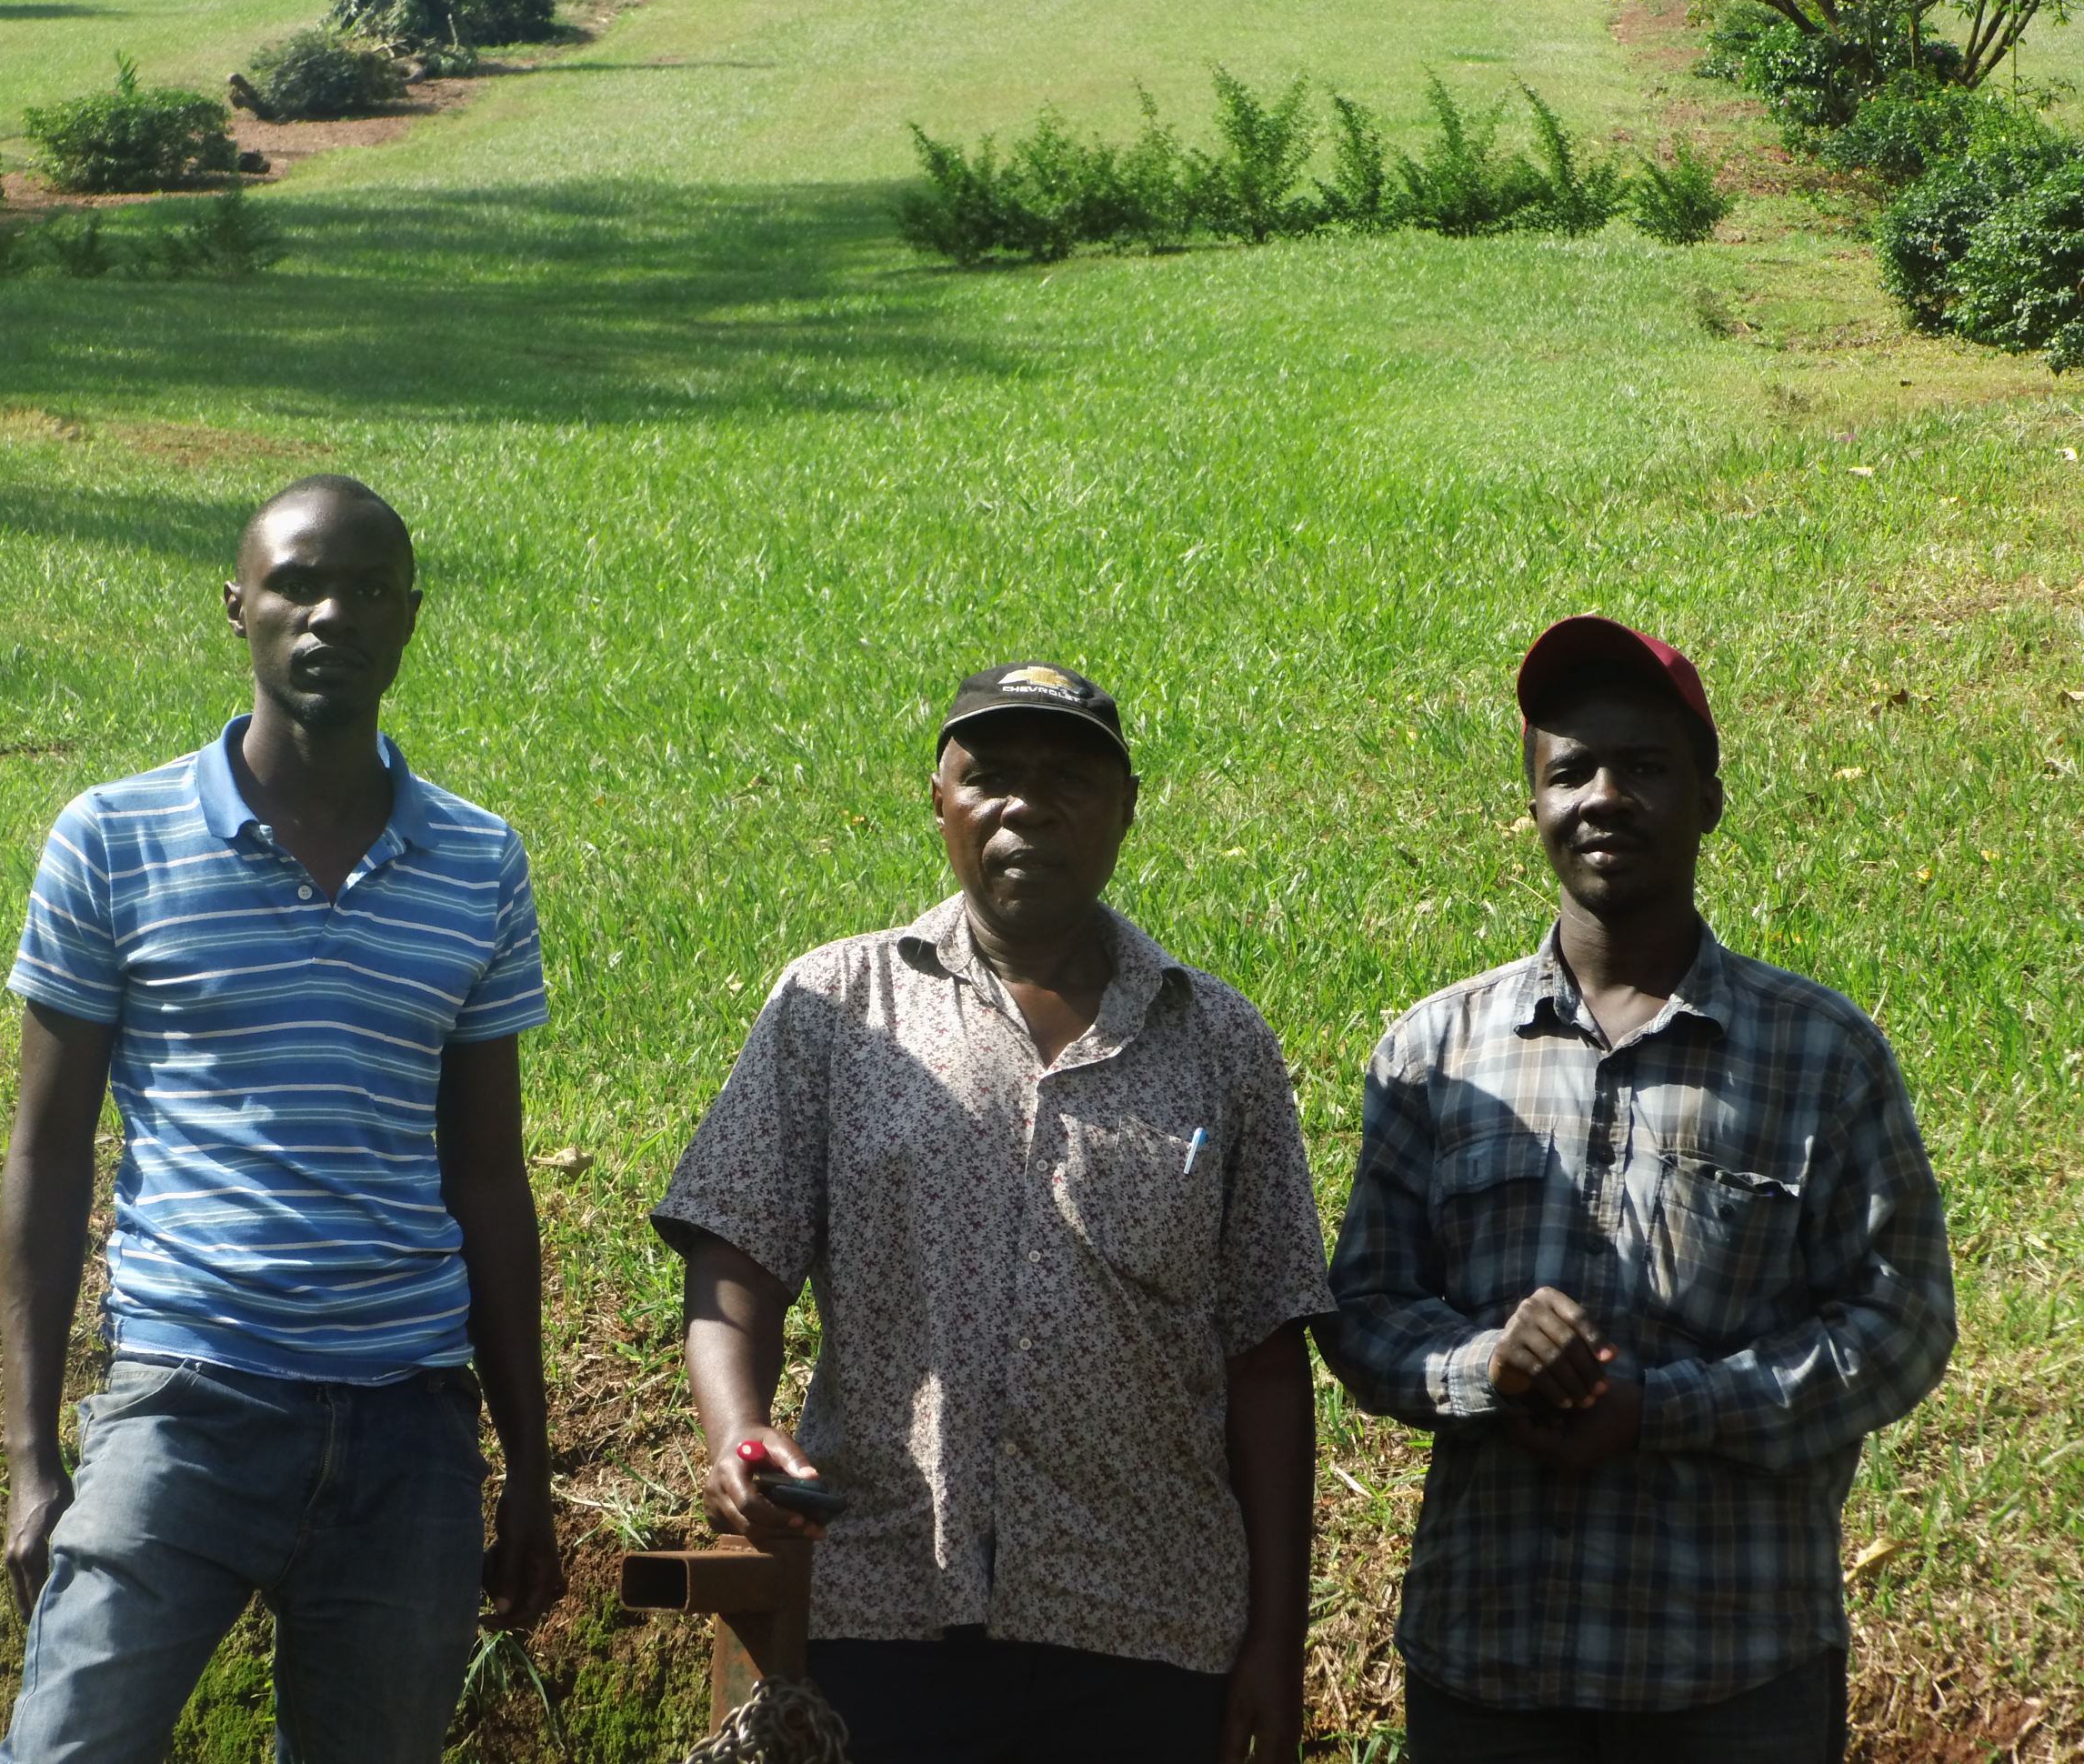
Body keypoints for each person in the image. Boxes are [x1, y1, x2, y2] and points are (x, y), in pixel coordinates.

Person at [652, 663, 1335, 1764]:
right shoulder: (837, 1008)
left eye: (1070, 779)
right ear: (939, 801)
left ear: (1127, 808)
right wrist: (737, 1430)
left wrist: (1276, 1640)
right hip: (883, 1615)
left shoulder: (1218, 1041)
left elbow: (1265, 1354)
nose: (1029, 807)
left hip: (1152, 1630)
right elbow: (738, 1254)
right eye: (992, 776)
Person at [1318, 616, 1958, 1761]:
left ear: (1709, 799)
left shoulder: (1822, 1054)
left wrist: (1665, 1408)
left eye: (1646, 767)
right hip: (1489, 1667)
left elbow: (1902, 1325)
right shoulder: (1433, 1051)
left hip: (1733, 1671)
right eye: (1572, 771)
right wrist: (1485, 1369)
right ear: (1533, 804)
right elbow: (1362, 1313)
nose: (1605, 797)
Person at [0, 476, 564, 1763]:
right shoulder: (112, 839)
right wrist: (31, 1455)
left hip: (410, 1428)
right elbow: (46, 1152)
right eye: (297, 585)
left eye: (367, 590)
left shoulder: (479, 862)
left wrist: (529, 1465)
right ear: (237, 605)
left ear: (409, 617)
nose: (330, 615)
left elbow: (488, 1179)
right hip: (183, 1402)